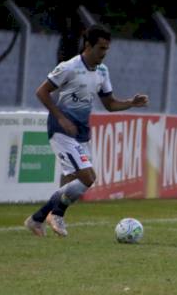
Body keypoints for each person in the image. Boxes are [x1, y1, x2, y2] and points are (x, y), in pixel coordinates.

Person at [24, 24, 149, 237]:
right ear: (88, 46)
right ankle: (57, 214)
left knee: (75, 182)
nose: (104, 53)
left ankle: (37, 219)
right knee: (88, 178)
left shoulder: (102, 71)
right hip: (61, 130)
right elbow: (42, 92)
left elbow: (109, 104)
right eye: (101, 48)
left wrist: (131, 103)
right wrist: (61, 118)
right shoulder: (69, 67)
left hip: (81, 132)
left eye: (106, 49)